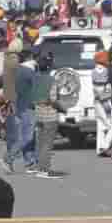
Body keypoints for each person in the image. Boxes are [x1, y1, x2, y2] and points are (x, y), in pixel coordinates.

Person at [29, 50, 67, 179]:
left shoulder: (35, 79)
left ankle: (38, 166)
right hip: (50, 115)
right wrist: (62, 108)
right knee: (47, 144)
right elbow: (53, 99)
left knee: (40, 142)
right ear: (49, 66)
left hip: (38, 114)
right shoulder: (52, 80)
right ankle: (44, 169)